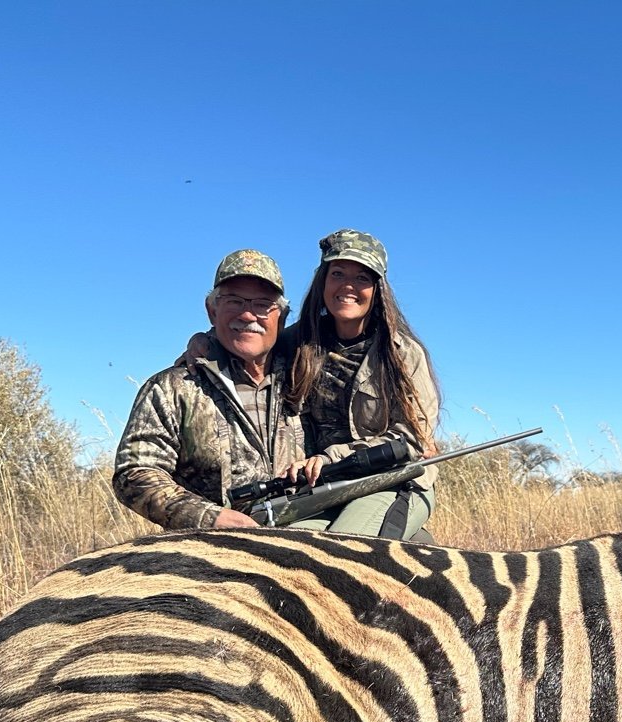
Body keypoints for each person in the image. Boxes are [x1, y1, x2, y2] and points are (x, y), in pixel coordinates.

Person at [113, 249, 307, 530]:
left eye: (264, 304)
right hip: (208, 553)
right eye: (234, 301)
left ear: (283, 315)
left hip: (301, 541)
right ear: (212, 310)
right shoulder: (172, 387)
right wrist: (208, 517)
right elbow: (135, 473)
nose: (248, 314)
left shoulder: (303, 380)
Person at [281, 228, 441, 539]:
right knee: (284, 547)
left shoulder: (403, 354)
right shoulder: (296, 342)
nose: (348, 286)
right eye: (338, 273)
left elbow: (412, 439)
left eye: (363, 278)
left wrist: (331, 457)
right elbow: (249, 342)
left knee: (338, 553)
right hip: (324, 489)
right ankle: (418, 548)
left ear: (378, 289)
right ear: (323, 281)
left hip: (393, 481)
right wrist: (204, 344)